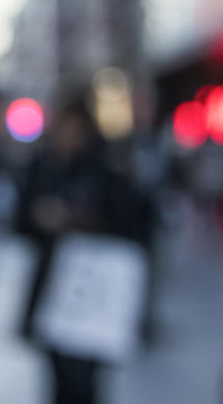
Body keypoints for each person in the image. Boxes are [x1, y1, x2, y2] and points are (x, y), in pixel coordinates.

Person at [17, 101, 136, 404]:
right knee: (58, 371)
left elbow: (126, 219)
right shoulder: (43, 166)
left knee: (84, 376)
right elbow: (20, 219)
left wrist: (79, 219)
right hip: (53, 279)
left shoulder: (105, 170)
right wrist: (39, 218)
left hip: (92, 284)